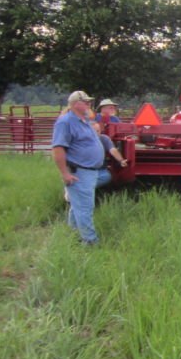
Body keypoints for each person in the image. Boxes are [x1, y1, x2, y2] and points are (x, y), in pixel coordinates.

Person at [51, 91, 105, 245]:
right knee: (85, 207)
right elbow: (58, 148)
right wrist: (65, 173)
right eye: (85, 102)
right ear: (75, 104)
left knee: (78, 206)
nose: (89, 104)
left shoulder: (84, 121)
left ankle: (72, 236)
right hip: (79, 171)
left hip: (89, 171)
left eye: (89, 102)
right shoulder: (65, 122)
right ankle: (90, 241)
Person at [91, 121, 129, 190]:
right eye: (93, 131)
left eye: (98, 131)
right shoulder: (80, 141)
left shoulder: (104, 138)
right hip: (84, 170)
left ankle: (84, 189)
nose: (96, 133)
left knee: (106, 177)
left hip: (100, 170)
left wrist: (121, 160)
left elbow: (113, 150)